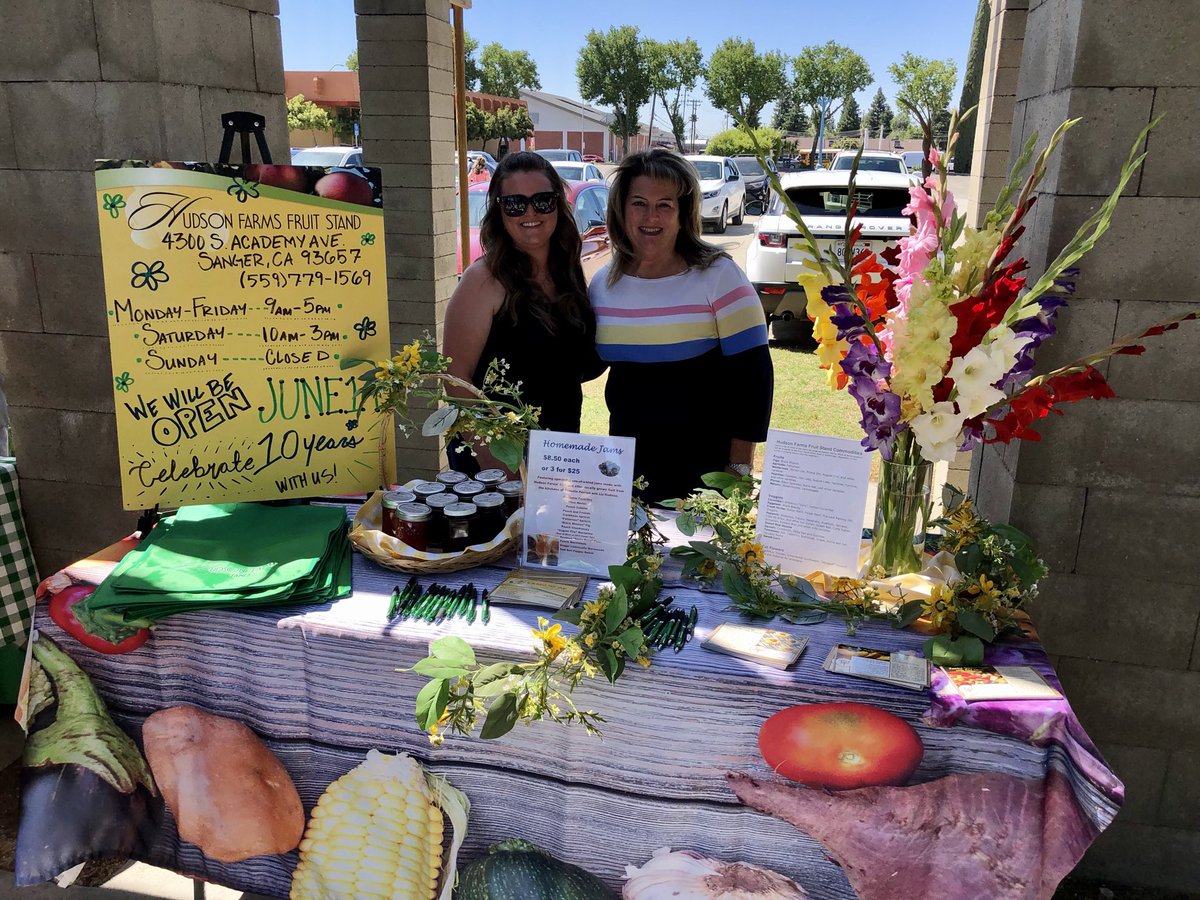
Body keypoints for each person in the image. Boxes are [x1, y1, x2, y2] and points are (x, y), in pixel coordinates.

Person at [590, 148, 774, 504]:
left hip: (705, 470)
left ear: (683, 212)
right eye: (639, 203)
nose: (650, 216)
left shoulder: (719, 276)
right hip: (626, 468)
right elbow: (588, 364)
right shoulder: (602, 285)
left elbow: (754, 381)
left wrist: (738, 473)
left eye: (665, 205)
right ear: (621, 209)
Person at [443, 151, 604, 474]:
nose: (530, 212)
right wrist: (498, 461)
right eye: (515, 203)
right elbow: (456, 379)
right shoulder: (484, 279)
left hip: (560, 449)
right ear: (499, 210)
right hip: (498, 461)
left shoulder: (567, 273)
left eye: (543, 200)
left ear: (558, 203)